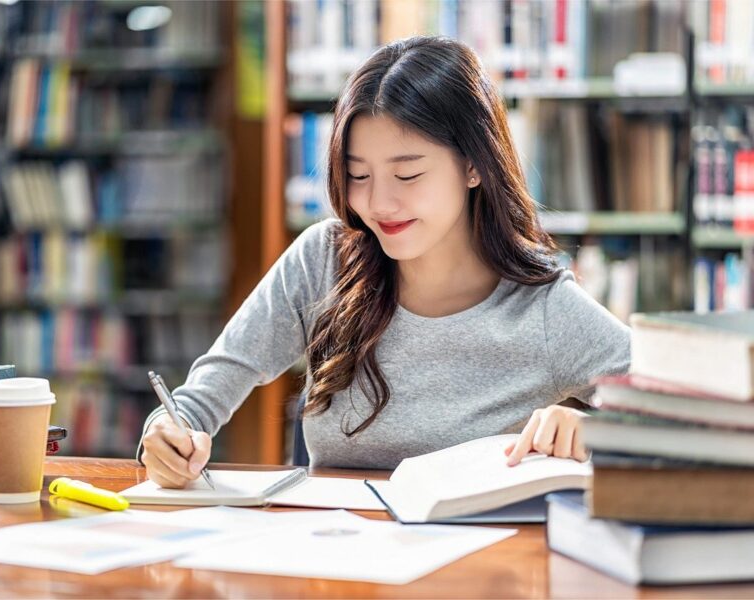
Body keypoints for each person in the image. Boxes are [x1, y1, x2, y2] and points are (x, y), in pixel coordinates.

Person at [139, 36, 630, 488]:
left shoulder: (543, 308)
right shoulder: (322, 261)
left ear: (475, 165)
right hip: (339, 564)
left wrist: (596, 430)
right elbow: (195, 403)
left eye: (408, 174)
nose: (378, 204)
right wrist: (167, 434)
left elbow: (686, 421)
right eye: (358, 175)